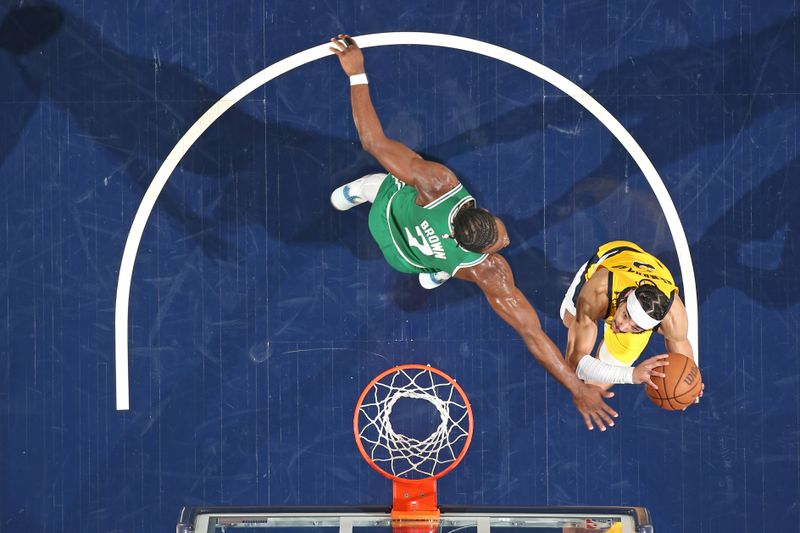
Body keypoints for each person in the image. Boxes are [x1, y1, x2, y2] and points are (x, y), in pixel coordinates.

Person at [328, 34, 618, 431]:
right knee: (446, 265)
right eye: (500, 239)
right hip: (408, 261)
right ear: (481, 236)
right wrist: (576, 387)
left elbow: (372, 139)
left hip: (390, 222)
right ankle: (438, 269)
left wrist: (356, 73)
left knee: (379, 183)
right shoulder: (488, 270)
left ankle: (356, 193)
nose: (506, 239)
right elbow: (532, 334)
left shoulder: (437, 185)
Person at [560, 240, 702, 403]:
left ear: (652, 327)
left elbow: (683, 358)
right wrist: (631, 375)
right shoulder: (597, 292)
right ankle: (598, 318)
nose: (622, 326)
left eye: (635, 327)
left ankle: (612, 325)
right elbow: (573, 363)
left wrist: (690, 386)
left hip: (652, 272)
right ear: (627, 297)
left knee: (593, 385)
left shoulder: (674, 318)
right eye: (626, 315)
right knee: (569, 319)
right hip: (615, 256)